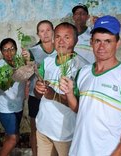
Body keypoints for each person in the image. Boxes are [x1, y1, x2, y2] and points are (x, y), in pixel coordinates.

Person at [59, 15, 121, 155]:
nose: (102, 46)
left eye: (108, 41)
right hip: (78, 150)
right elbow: (80, 109)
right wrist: (68, 93)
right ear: (91, 42)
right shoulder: (84, 72)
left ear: (118, 43)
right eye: (97, 41)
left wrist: (119, 152)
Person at [34, 22, 88, 156]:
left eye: (67, 37)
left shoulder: (82, 68)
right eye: (57, 37)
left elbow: (80, 106)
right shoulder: (48, 61)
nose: (61, 41)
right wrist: (38, 89)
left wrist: (54, 95)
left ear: (75, 40)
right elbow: (38, 94)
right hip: (43, 128)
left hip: (65, 133)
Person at [21, 20, 56, 156]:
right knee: (35, 130)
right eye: (42, 31)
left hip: (54, 96)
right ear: (38, 34)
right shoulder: (32, 51)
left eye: (48, 30)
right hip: (36, 96)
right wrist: (27, 62)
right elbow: (26, 76)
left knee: (53, 128)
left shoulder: (59, 49)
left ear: (53, 31)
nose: (45, 33)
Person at [0, 38, 27, 156]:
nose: (9, 52)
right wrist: (9, 77)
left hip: (18, 106)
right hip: (5, 108)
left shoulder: (21, 63)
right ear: (1, 52)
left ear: (16, 50)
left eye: (12, 49)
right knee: (14, 138)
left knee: (10, 135)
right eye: (5, 50)